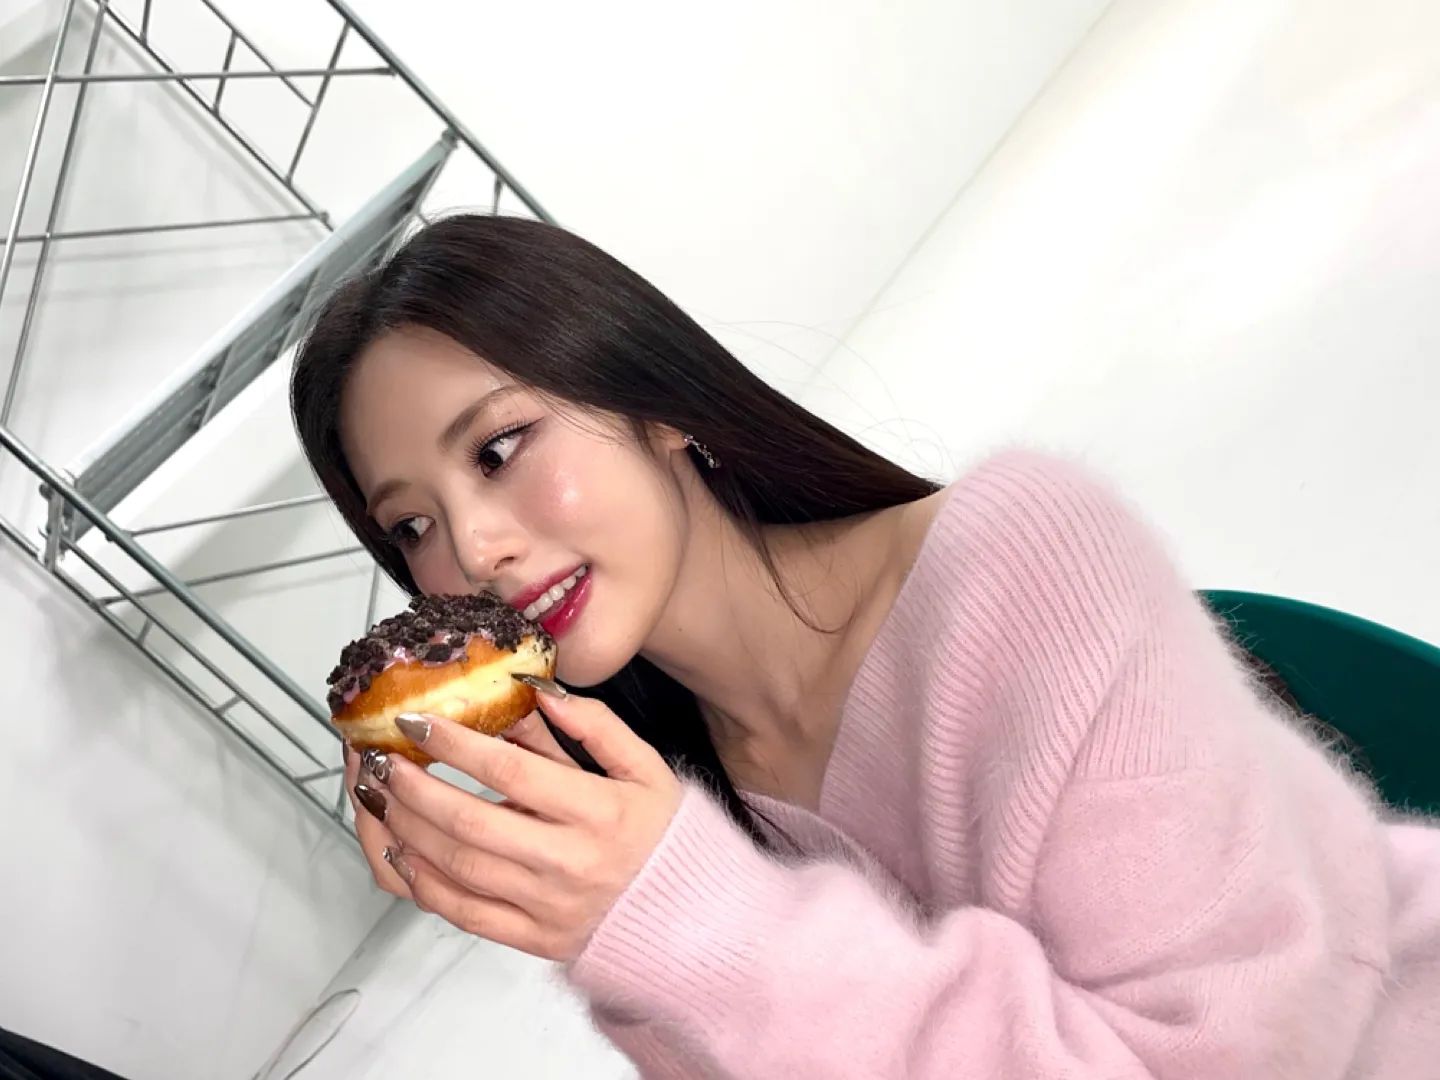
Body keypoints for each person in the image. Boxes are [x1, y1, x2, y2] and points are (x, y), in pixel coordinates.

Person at [290, 214, 1440, 1078]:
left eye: (498, 449)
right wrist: (598, 912)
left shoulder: (1025, 562)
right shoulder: (662, 794)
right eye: (412, 526)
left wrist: (691, 915)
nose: (473, 549)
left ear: (656, 405)